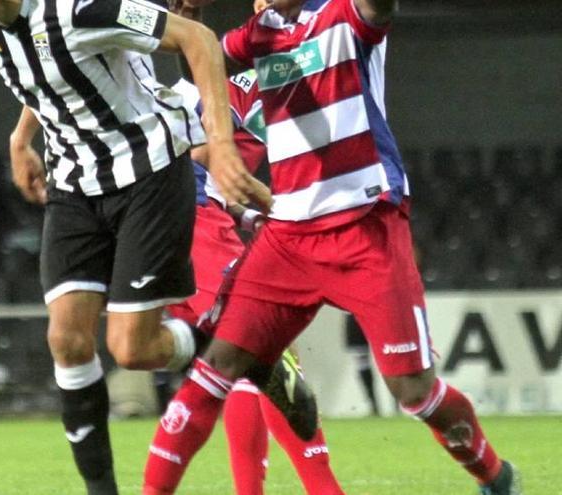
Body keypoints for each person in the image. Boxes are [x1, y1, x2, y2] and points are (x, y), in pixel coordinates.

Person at [143, 1, 522, 494]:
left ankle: (494, 475)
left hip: (365, 227)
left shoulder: (346, 14)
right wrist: (189, 22)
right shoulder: (262, 33)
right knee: (217, 368)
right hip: (289, 236)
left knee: (414, 391)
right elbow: (207, 59)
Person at [0, 1, 271, 493]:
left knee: (131, 348)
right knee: (67, 340)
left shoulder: (82, 9)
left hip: (148, 175)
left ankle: (242, 352)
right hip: (74, 185)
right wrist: (21, 137)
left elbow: (198, 40)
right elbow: (50, 66)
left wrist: (221, 144)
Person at [167, 72, 344, 495]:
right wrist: (274, 204)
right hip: (192, 220)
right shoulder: (228, 81)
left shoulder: (283, 81)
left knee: (237, 362)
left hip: (181, 218)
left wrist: (248, 214)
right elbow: (196, 157)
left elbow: (213, 178)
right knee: (264, 347)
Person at [344, 313, 380, 416]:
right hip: (354, 313)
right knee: (362, 359)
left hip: (380, 311)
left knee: (391, 355)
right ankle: (373, 406)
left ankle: (398, 406)